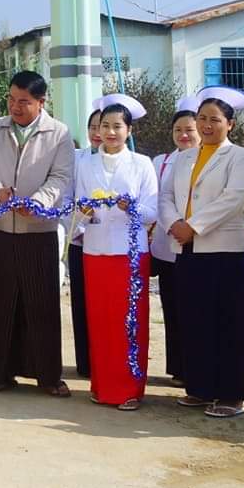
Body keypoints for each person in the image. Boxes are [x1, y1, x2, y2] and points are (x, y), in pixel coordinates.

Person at [0, 71, 74, 396]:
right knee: (3, 303)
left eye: (24, 102)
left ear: (41, 102)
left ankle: (48, 376)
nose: (15, 107)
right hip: (2, 228)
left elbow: (61, 177)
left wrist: (38, 202)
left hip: (39, 231)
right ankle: (1, 373)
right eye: (11, 99)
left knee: (41, 303)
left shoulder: (59, 133)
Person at [157, 87, 244, 419]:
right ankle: (200, 387)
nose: (207, 125)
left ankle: (231, 394)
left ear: (230, 124)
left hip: (224, 251)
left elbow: (233, 198)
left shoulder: (240, 156)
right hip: (187, 250)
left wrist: (193, 226)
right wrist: (174, 223)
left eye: (215, 119)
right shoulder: (184, 157)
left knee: (228, 323)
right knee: (194, 320)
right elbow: (166, 195)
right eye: (202, 118)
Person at [72, 94, 158, 410]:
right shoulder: (86, 163)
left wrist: (130, 207)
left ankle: (130, 389)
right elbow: (77, 207)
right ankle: (103, 385)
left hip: (130, 253)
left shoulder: (141, 164)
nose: (109, 132)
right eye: (104, 126)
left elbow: (152, 211)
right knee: (100, 320)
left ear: (129, 130)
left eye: (117, 126)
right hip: (95, 251)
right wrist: (84, 212)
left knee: (129, 320)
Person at [151, 98, 200, 387]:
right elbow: (157, 199)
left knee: (194, 308)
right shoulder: (161, 162)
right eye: (178, 130)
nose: (183, 135)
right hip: (166, 246)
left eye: (189, 130)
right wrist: (172, 224)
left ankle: (195, 368)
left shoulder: (209, 161)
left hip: (197, 243)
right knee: (172, 308)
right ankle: (178, 368)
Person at [68, 109, 103, 380]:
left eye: (105, 126)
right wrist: (78, 224)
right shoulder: (76, 159)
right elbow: (67, 196)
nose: (98, 133)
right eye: (93, 127)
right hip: (79, 239)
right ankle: (85, 363)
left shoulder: (130, 161)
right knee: (81, 302)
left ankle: (104, 361)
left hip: (109, 243)